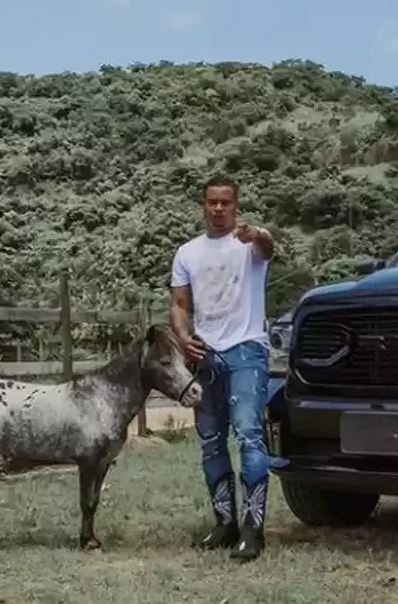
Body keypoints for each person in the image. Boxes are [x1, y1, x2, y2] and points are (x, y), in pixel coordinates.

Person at [169, 174, 275, 562]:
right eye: (211, 202)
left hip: (246, 350)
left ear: (235, 204)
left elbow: (268, 245)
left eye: (225, 202)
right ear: (203, 204)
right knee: (211, 440)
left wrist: (258, 232)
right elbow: (180, 305)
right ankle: (225, 522)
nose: (218, 209)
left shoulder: (249, 246)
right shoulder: (187, 253)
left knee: (249, 434)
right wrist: (183, 338)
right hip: (206, 355)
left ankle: (253, 528)